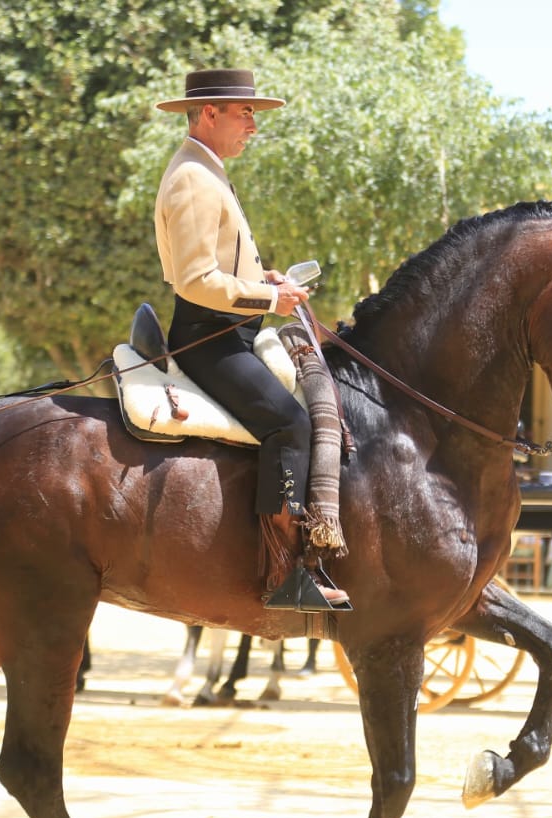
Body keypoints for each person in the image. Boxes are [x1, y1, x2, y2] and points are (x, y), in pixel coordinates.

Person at [153, 68, 346, 610]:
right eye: (246, 113)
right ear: (209, 113)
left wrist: (266, 279)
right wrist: (269, 301)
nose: (253, 126)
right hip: (208, 340)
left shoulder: (206, 169)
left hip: (230, 331)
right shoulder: (193, 176)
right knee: (290, 423)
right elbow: (194, 281)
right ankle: (286, 574)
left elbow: (222, 265)